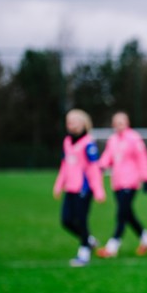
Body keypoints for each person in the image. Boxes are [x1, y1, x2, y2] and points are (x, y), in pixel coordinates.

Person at [96, 111, 147, 258]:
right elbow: (108, 157)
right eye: (116, 123)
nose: (118, 125)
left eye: (121, 122)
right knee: (128, 214)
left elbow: (142, 159)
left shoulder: (134, 138)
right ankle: (146, 239)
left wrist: (146, 179)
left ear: (127, 123)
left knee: (121, 214)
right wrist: (99, 166)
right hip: (117, 182)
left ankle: (112, 247)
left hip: (131, 181)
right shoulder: (113, 140)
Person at [52, 109, 106, 267]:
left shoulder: (89, 143)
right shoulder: (67, 141)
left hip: (84, 188)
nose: (71, 125)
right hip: (70, 188)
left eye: (74, 121)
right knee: (66, 220)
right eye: (69, 122)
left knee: (82, 220)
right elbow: (64, 165)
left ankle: (84, 253)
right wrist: (59, 184)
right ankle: (89, 240)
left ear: (83, 123)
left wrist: (98, 189)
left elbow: (93, 169)